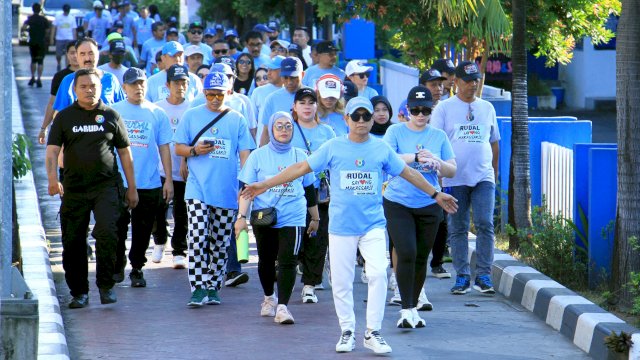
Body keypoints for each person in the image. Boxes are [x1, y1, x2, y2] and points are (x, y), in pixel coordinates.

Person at [241, 96, 458, 354]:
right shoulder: (333, 146)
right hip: (342, 227)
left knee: (378, 273)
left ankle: (372, 332)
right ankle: (347, 331)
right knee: (342, 282)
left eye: (366, 116)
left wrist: (436, 194)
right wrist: (263, 185)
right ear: (347, 120)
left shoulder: (380, 148)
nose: (362, 121)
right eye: (356, 116)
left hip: (373, 225)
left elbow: (408, 173)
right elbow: (300, 168)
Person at [45, 68, 139, 308]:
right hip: (74, 188)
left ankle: (106, 285)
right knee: (73, 240)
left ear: (100, 89)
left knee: (108, 231)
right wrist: (52, 180)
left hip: (106, 186)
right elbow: (52, 151)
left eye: (93, 87)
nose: (89, 90)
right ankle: (79, 292)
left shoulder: (111, 116)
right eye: (83, 87)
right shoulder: (64, 118)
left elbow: (125, 154)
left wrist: (132, 188)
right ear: (74, 90)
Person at [173, 71, 255, 307]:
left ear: (228, 92)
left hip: (226, 190)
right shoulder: (191, 116)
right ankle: (198, 287)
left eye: (219, 94)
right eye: (210, 95)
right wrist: (194, 151)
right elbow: (179, 147)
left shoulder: (237, 119)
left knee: (219, 242)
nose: (215, 99)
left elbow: (245, 153)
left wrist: (246, 184)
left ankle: (213, 286)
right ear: (204, 93)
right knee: (198, 237)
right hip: (197, 187)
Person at [382, 86, 457, 328]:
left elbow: (452, 169)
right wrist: (415, 157)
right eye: (415, 110)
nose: (421, 114)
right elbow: (386, 158)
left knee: (421, 257)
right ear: (407, 109)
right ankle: (404, 309)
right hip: (398, 202)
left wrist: (437, 163)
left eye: (426, 110)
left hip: (430, 203)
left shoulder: (438, 136)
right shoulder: (395, 131)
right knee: (406, 252)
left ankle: (413, 307)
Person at [236, 111, 319, 324]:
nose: (284, 130)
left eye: (288, 126)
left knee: (288, 261)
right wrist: (241, 218)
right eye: (279, 126)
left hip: (294, 216)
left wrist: (315, 218)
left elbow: (309, 190)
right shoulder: (258, 155)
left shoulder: (301, 156)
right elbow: (246, 190)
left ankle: (283, 307)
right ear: (271, 129)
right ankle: (268, 298)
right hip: (265, 217)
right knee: (265, 260)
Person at [430, 61, 500, 295]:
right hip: (454, 179)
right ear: (456, 82)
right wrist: (438, 178)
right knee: (458, 227)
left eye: (476, 80)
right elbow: (436, 143)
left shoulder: (487, 107)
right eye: (468, 81)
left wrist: (494, 174)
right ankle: (462, 276)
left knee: (485, 224)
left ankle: (483, 275)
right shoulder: (444, 109)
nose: (472, 85)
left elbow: (494, 143)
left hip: (483, 177)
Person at [112, 67, 174, 287]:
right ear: (124, 87)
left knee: (143, 229)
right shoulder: (115, 111)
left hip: (149, 182)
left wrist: (167, 179)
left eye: (141, 83)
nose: (138, 88)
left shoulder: (157, 113)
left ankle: (137, 267)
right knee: (117, 226)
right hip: (119, 181)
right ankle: (117, 263)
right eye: (133, 84)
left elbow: (164, 147)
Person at [289, 87, 335, 303]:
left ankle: (310, 285)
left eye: (311, 102)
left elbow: (336, 163)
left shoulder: (327, 132)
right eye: (302, 102)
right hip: (291, 191)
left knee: (317, 239)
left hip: (319, 192)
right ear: (294, 107)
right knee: (294, 238)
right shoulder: (288, 129)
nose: (307, 106)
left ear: (317, 106)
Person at [152, 64, 192, 268]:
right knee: (157, 209)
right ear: (168, 85)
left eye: (184, 82)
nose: (180, 86)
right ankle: (159, 240)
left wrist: (186, 160)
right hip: (160, 169)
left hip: (184, 170)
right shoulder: (157, 108)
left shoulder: (193, 107)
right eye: (176, 82)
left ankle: (179, 250)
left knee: (182, 212)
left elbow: (193, 138)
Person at [53, 37, 126, 113]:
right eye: (82, 54)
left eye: (91, 53)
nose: (87, 58)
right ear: (77, 57)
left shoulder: (111, 79)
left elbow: (123, 111)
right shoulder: (68, 81)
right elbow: (58, 114)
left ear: (98, 54)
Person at [39, 42, 79, 144]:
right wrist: (44, 128)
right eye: (72, 53)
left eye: (78, 53)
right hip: (65, 126)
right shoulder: (60, 76)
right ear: (67, 55)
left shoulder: (94, 76)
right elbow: (52, 103)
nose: (75, 56)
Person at [259, 57, 304, 146]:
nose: (289, 82)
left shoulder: (312, 97)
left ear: (302, 75)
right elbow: (266, 131)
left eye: (293, 77)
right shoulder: (272, 99)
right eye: (285, 78)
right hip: (280, 153)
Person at [24, 2, 50, 88]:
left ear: (32, 9)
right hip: (41, 42)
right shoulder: (43, 19)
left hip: (32, 41)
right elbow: (47, 31)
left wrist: (29, 31)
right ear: (40, 10)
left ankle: (32, 77)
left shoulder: (30, 18)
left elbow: (24, 27)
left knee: (33, 60)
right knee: (40, 61)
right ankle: (39, 78)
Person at [52, 3, 78, 72]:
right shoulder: (58, 17)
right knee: (58, 54)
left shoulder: (72, 18)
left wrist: (74, 40)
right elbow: (54, 27)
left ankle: (67, 68)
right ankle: (59, 64)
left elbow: (74, 29)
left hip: (69, 38)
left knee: (68, 54)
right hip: (59, 38)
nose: (67, 12)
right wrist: (52, 37)